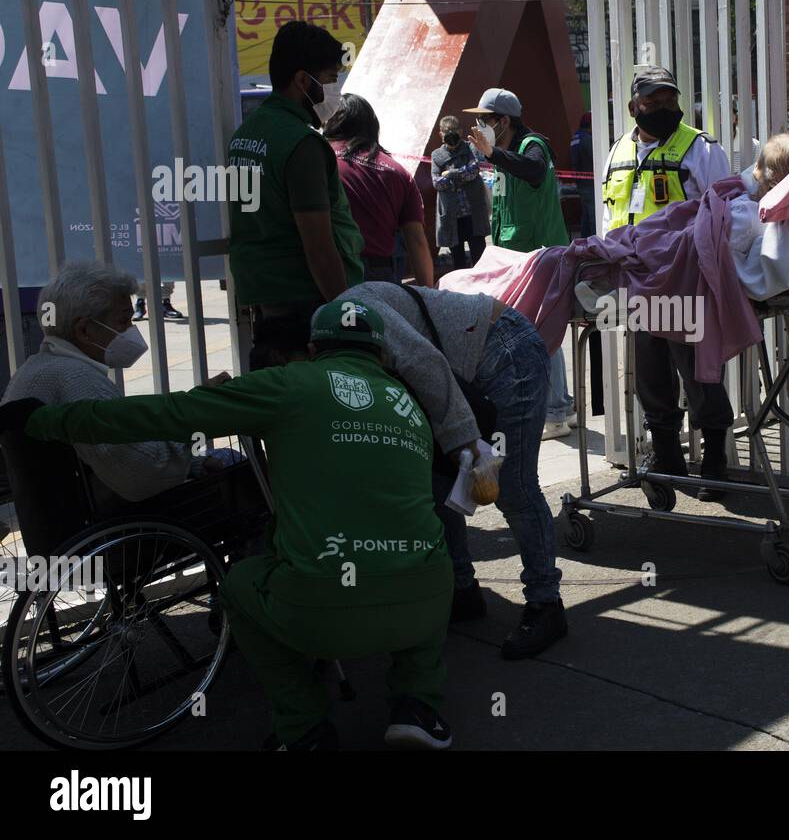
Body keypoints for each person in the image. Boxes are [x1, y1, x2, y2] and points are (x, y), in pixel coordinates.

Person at [5, 299, 457, 749]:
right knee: (426, 556)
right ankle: (417, 706)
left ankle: (304, 730)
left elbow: (165, 414)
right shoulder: (409, 407)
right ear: (380, 356)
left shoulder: (288, 383)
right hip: (424, 607)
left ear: (314, 349)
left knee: (240, 584)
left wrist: (49, 421)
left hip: (317, 612)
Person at [342, 279, 568, 658]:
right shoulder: (334, 344)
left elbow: (425, 364)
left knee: (512, 487)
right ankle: (461, 590)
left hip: (506, 351)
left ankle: (546, 603)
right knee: (435, 484)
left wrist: (464, 442)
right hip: (468, 364)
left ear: (309, 350)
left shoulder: (357, 313)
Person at [0, 262, 237, 538]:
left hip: (71, 521)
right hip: (113, 528)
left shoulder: (39, 367)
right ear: (85, 331)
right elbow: (141, 474)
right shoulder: (75, 379)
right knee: (234, 467)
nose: (131, 330)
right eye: (123, 320)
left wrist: (193, 462)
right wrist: (194, 418)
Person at [600, 66, 733, 499]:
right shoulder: (618, 151)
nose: (662, 108)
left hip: (685, 281)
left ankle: (715, 459)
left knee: (699, 372)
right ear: (633, 107)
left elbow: (726, 214)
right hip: (635, 280)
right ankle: (666, 456)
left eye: (668, 100)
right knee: (650, 376)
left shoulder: (699, 149)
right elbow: (610, 216)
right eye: (651, 102)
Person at [227, 20, 365, 369]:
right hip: (306, 306)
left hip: (268, 299)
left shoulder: (248, 133)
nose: (335, 91)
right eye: (331, 79)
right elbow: (319, 247)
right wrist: (345, 314)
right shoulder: (301, 145)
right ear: (303, 81)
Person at [464, 87, 574, 439]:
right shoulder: (505, 154)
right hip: (515, 257)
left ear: (504, 121)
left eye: (485, 119)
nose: (480, 125)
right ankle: (556, 408)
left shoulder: (530, 147)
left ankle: (556, 412)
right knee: (532, 333)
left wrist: (493, 153)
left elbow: (534, 171)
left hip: (538, 256)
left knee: (541, 332)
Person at [323, 94, 434, 287]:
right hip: (382, 277)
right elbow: (416, 240)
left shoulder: (320, 161)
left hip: (332, 272)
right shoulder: (398, 172)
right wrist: (429, 297)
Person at [429, 115, 490, 269]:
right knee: (458, 263)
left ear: (461, 132)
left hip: (473, 215)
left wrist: (449, 174)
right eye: (446, 132)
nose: (451, 135)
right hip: (452, 218)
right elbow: (436, 182)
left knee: (480, 260)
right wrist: (461, 176)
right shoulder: (437, 155)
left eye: (454, 132)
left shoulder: (471, 148)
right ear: (440, 134)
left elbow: (473, 170)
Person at [570, 111, 597, 239]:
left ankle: (583, 241)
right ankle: (593, 244)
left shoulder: (576, 137)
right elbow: (596, 158)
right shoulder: (587, 139)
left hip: (581, 184)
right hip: (590, 184)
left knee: (586, 216)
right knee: (593, 216)